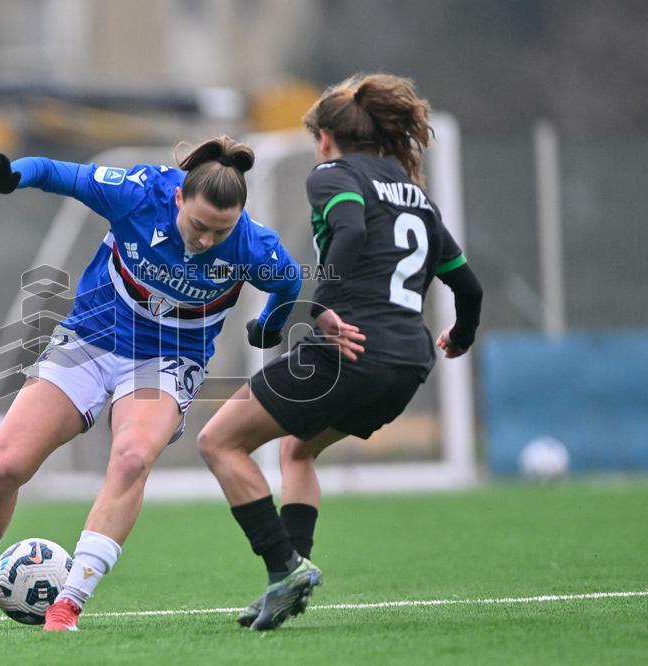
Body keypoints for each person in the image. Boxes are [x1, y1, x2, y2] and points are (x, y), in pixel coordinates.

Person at [0, 136, 302, 633]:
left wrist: (271, 323)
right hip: (90, 340)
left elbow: (289, 281)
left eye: (220, 231)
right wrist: (15, 175)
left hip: (167, 360)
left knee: (132, 458)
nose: (206, 241)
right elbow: (62, 173)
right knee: (4, 467)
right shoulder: (139, 191)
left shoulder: (252, 246)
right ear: (179, 197)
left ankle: (68, 603)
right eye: (199, 226)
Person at [196, 74, 484, 631]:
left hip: (350, 353)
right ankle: (287, 578)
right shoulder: (414, 195)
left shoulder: (333, 174)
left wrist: (322, 307)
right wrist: (462, 337)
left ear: (326, 138)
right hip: (408, 365)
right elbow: (468, 287)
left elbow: (348, 230)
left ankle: (285, 567)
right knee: (298, 451)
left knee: (219, 441)